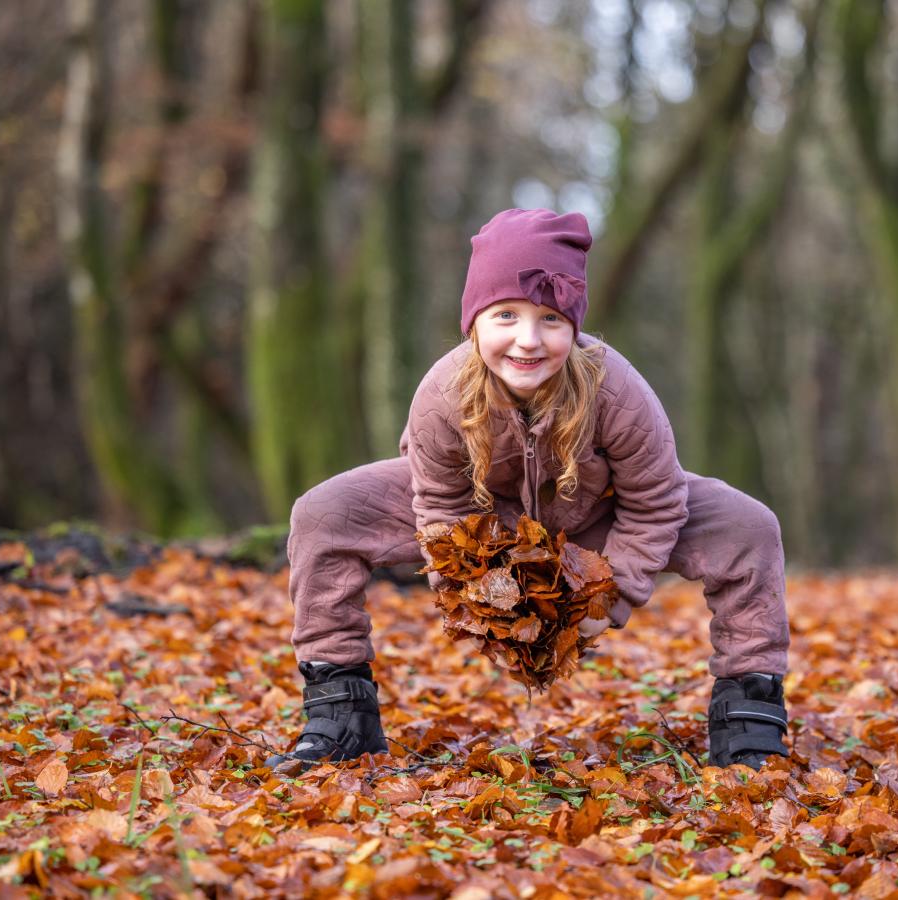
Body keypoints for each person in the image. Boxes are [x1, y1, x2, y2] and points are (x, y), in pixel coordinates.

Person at [268, 208, 791, 771]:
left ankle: (749, 715)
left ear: (574, 326)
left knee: (748, 526)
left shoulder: (616, 389)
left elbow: (656, 503)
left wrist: (607, 597)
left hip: (598, 513)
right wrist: (474, 594)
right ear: (474, 322)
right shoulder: (443, 393)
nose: (527, 340)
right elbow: (441, 504)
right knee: (323, 513)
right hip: (484, 516)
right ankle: (339, 708)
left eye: (550, 320)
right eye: (505, 316)